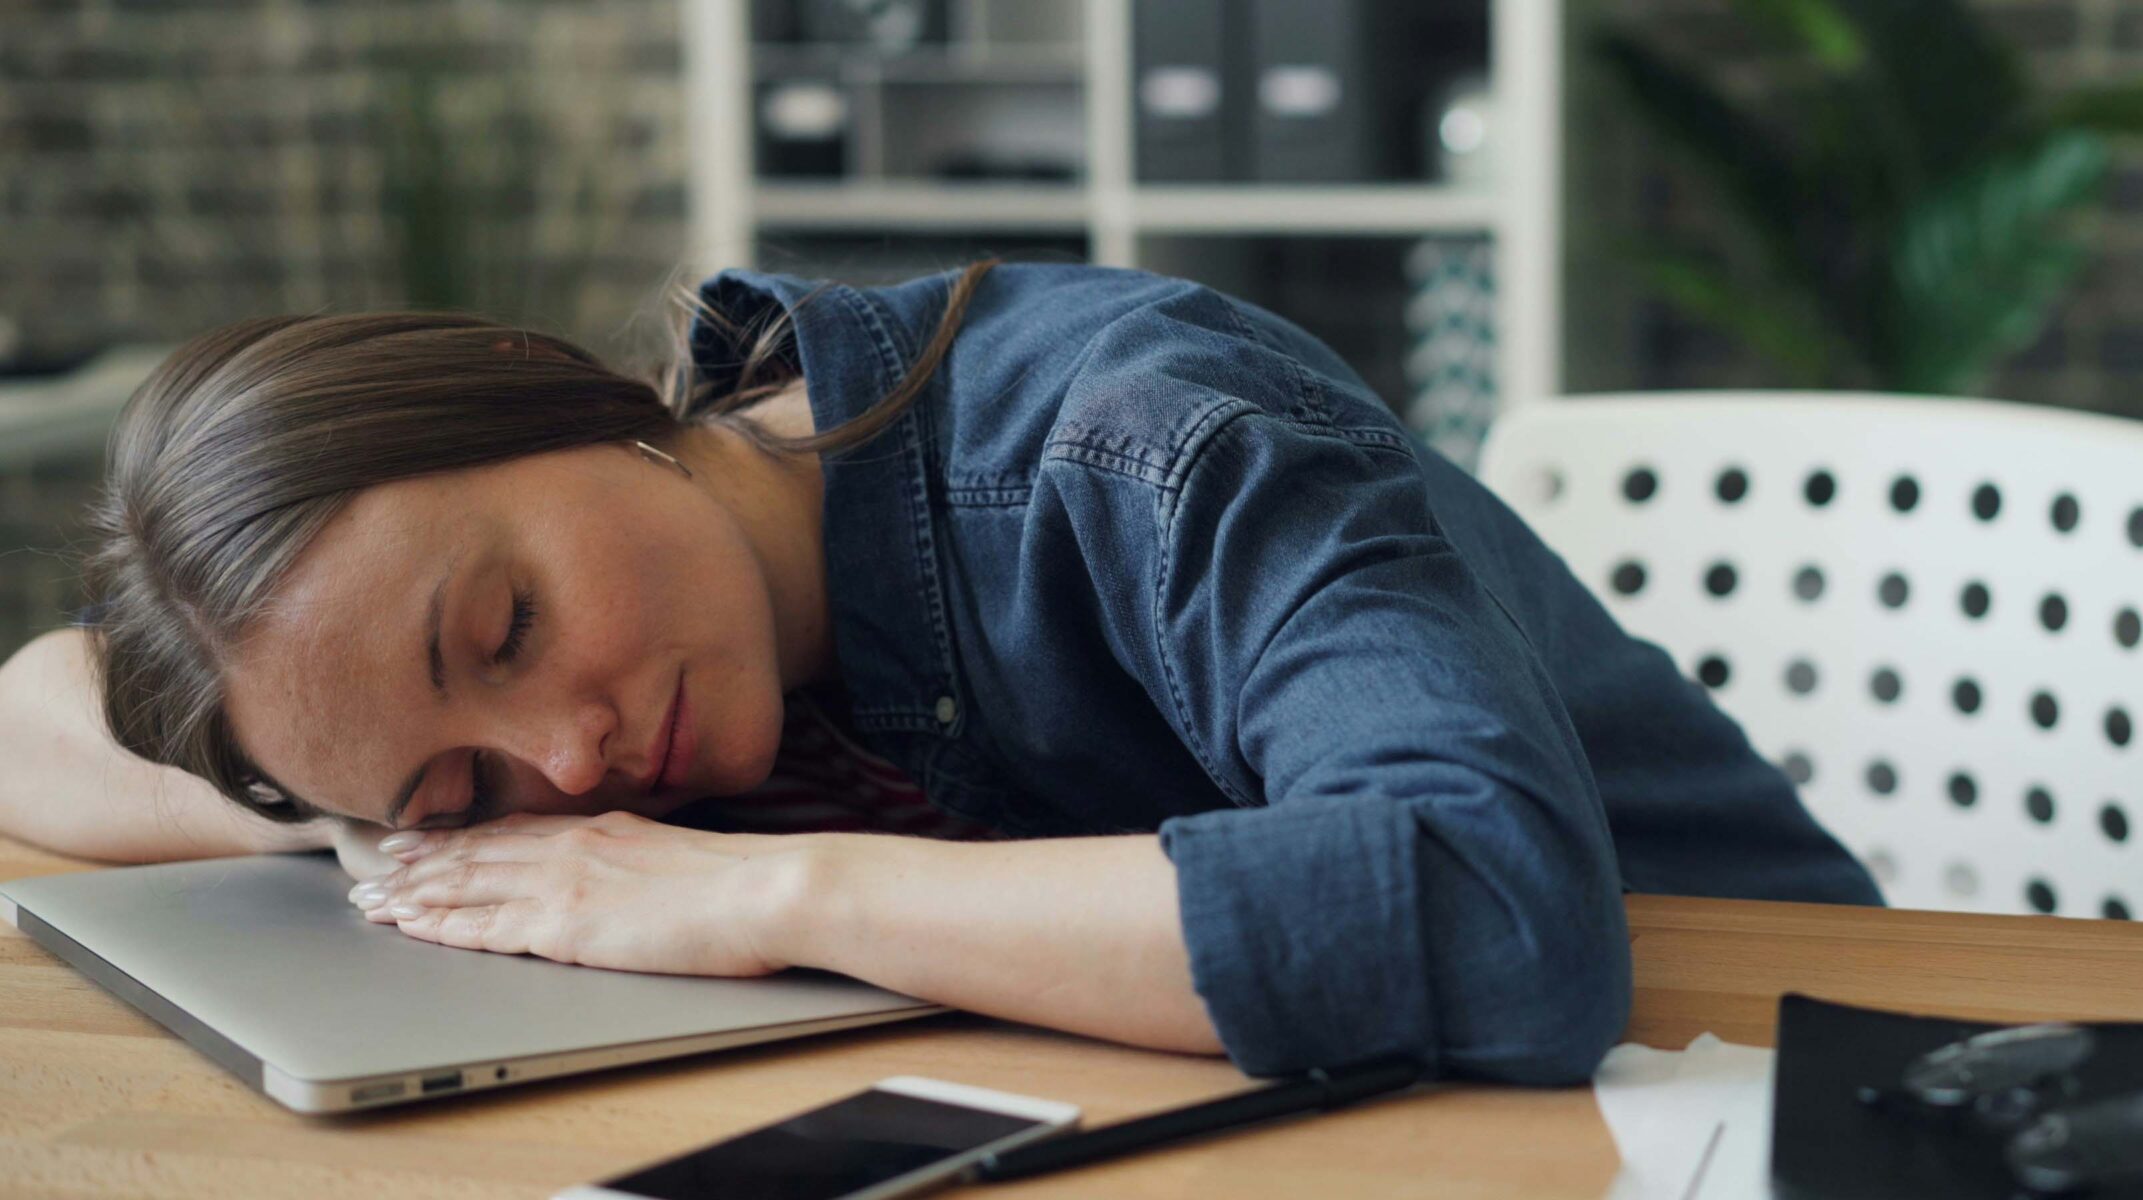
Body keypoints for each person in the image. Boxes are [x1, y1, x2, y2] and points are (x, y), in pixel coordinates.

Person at [0, 261, 1879, 1087]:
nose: (571, 757)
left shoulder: (1151, 438)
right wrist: (371, 822)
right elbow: (28, 709)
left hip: (1763, 1078)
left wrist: (750, 890)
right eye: (471, 784)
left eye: (502, 632)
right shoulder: (572, 713)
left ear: (549, 379)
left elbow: (1487, 915)